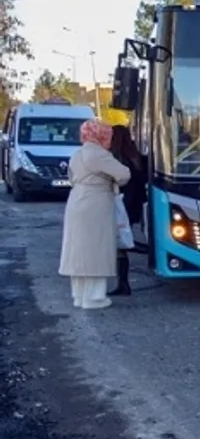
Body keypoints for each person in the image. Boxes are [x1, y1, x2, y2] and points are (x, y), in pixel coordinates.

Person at [59, 119, 131, 310]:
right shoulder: (100, 154)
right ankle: (94, 298)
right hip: (96, 202)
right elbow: (124, 174)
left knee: (78, 250)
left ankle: (79, 296)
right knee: (96, 250)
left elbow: (72, 177)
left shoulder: (77, 154)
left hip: (76, 201)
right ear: (102, 135)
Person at [108, 125, 147, 296]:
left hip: (120, 203)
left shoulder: (116, 157)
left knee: (121, 242)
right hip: (133, 203)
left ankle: (123, 284)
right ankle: (123, 284)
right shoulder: (136, 155)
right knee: (121, 241)